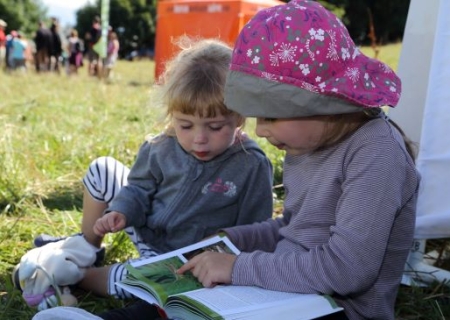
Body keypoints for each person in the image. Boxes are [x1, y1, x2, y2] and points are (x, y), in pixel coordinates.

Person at [177, 1, 420, 320]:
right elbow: (295, 228)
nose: (260, 130)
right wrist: (232, 238)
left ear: (326, 104)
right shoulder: (305, 141)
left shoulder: (376, 154)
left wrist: (239, 267)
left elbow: (347, 270)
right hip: (284, 296)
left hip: (339, 310)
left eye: (272, 115)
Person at [28, 38, 274, 319]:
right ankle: (87, 248)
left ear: (239, 118)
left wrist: (223, 258)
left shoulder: (251, 164)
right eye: (185, 125)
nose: (199, 138)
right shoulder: (161, 146)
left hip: (187, 261)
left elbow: (257, 229)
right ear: (172, 115)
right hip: (146, 230)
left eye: (216, 127)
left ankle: (75, 274)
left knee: (127, 280)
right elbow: (139, 188)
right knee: (102, 169)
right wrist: (122, 211)